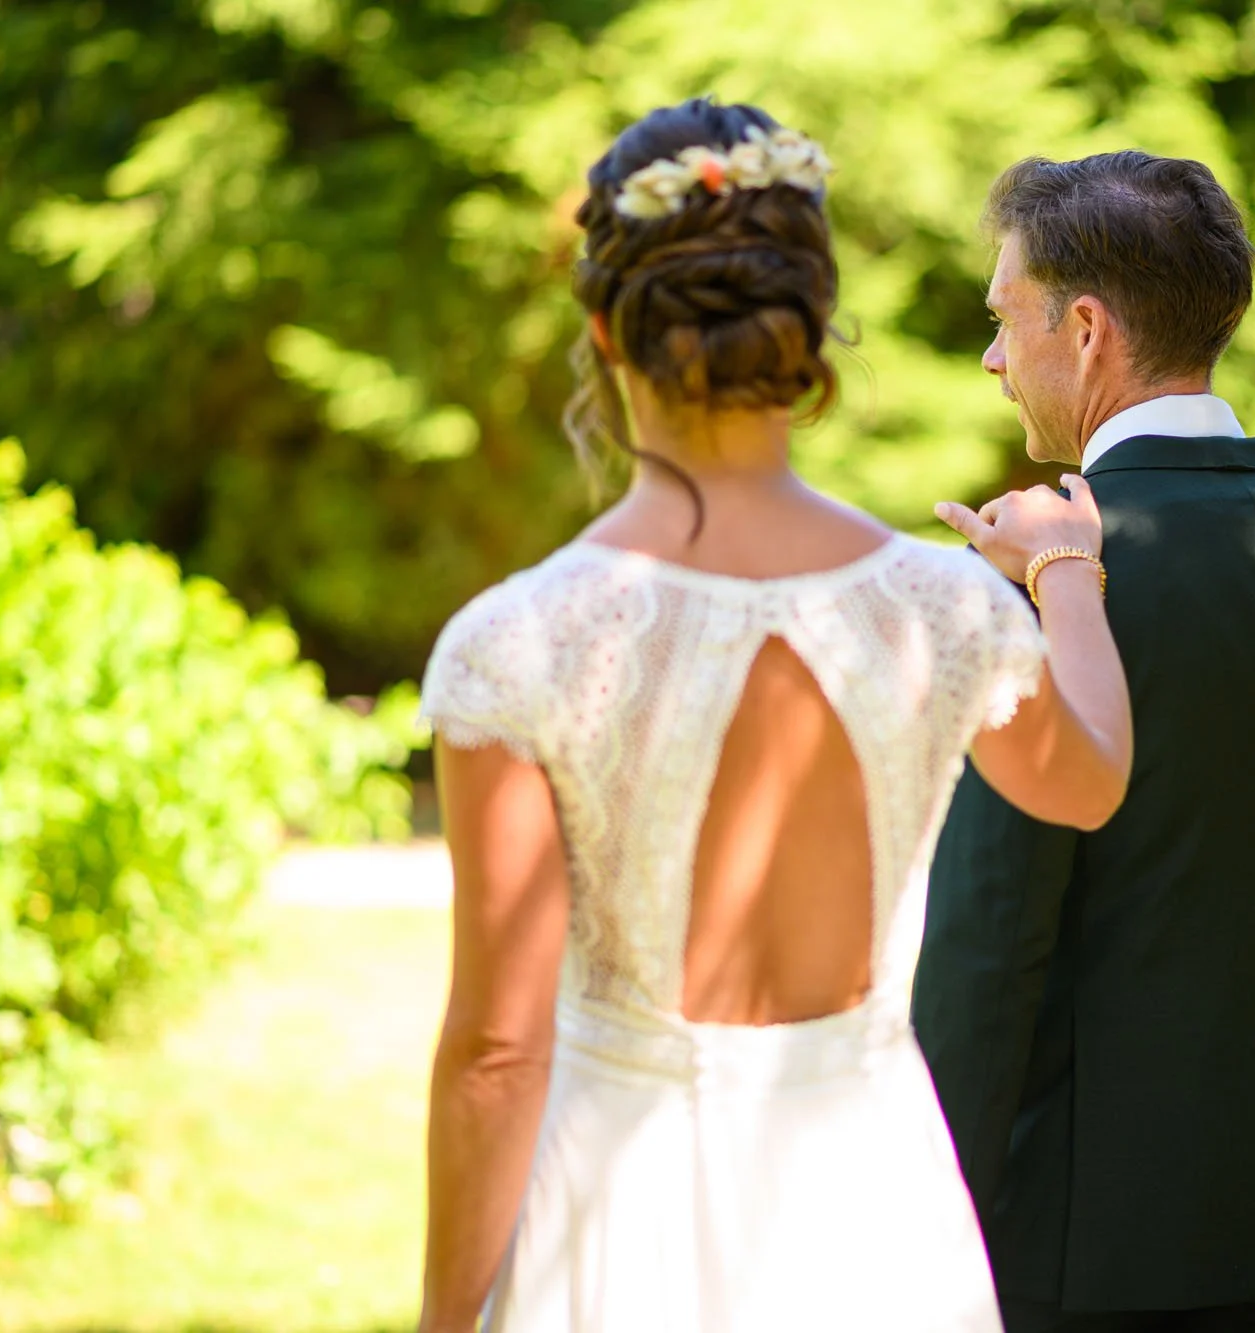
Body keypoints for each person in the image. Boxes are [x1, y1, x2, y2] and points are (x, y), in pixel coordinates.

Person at [412, 100, 1134, 1333]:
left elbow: (495, 1048)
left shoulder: (521, 641)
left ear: (603, 330)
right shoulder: (939, 605)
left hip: (615, 1213)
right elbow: (1090, 779)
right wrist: (1069, 570)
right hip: (867, 1211)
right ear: (808, 332)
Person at [913, 152, 1255, 1333]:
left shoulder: (1044, 580)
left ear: (1084, 328)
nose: (992, 361)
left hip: (1070, 1250)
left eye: (1004, 322)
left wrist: (924, 1213)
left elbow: (988, 943)